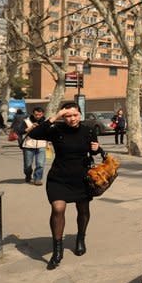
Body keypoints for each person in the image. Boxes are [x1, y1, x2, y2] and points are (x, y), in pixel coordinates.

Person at [28, 102, 101, 270]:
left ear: (80, 114)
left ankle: (80, 238)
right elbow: (35, 134)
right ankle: (57, 249)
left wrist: (97, 149)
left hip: (82, 178)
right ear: (63, 116)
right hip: (59, 177)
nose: (72, 118)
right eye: (68, 115)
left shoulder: (88, 130)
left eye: (75, 115)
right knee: (58, 209)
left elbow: (94, 151)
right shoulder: (56, 129)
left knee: (82, 209)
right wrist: (56, 115)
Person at [21, 107, 48, 185]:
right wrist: (31, 127)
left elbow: (49, 132)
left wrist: (49, 142)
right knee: (27, 165)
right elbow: (21, 131)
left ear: (42, 114)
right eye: (36, 114)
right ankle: (28, 175)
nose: (38, 116)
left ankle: (37, 179)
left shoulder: (46, 122)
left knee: (40, 164)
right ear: (33, 114)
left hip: (41, 145)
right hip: (28, 145)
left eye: (40, 114)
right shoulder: (26, 121)